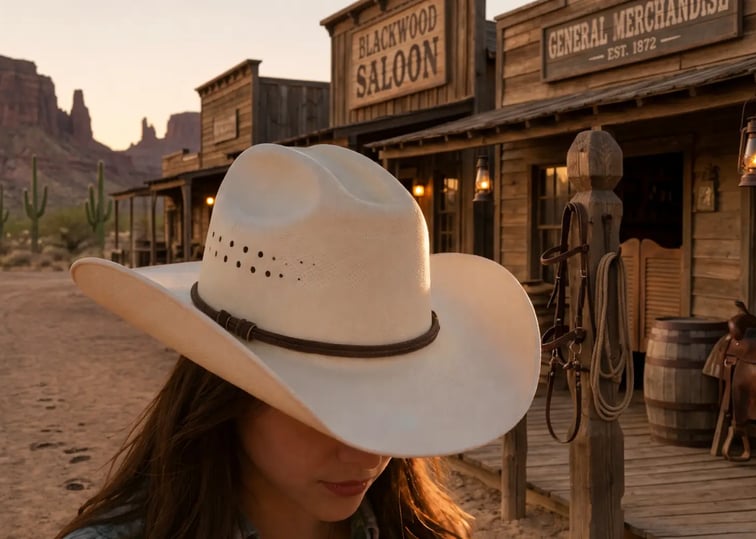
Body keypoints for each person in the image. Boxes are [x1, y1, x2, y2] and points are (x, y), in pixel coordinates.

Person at [56, 143, 541, 539]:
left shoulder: (423, 531)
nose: (369, 455)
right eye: (324, 410)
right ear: (229, 391)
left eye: (386, 405)